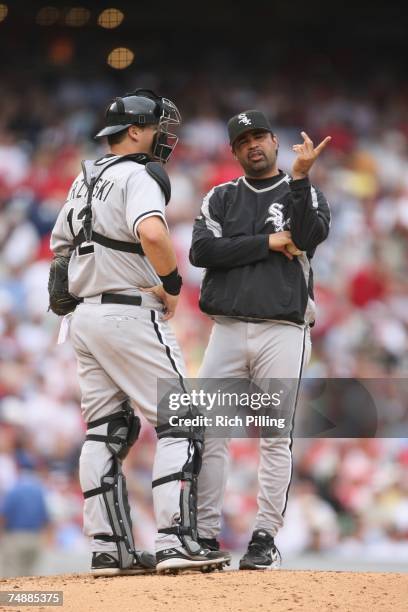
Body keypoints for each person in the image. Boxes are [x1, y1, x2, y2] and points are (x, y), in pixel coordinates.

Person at [50, 89, 228, 575]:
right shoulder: (140, 173)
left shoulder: (83, 178)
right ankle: (175, 540)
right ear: (134, 132)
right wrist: (171, 283)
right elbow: (151, 232)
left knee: (107, 430)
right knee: (183, 421)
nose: (162, 137)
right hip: (129, 311)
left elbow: (60, 254)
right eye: (156, 128)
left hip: (83, 318)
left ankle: (109, 548)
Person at [190, 109, 331, 569]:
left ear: (274, 141)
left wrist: (302, 179)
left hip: (283, 329)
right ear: (234, 151)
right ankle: (205, 536)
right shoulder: (221, 196)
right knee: (210, 432)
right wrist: (268, 243)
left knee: (274, 435)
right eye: (243, 139)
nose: (253, 144)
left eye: (259, 136)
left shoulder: (301, 192)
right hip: (226, 329)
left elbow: (311, 235)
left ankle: (265, 537)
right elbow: (201, 252)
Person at [0, 457, 51, 577]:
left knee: (12, 577)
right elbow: (46, 518)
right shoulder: (39, 489)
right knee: (30, 578)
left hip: (15, 538)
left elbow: (4, 515)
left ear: (18, 469)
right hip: (35, 537)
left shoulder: (14, 489)